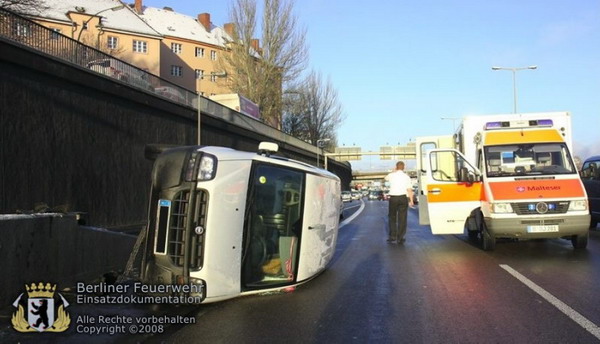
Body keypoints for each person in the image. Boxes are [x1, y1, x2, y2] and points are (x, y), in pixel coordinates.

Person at [384, 161, 414, 243]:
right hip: (403, 198)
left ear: (396, 167)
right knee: (402, 218)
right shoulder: (406, 177)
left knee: (392, 217)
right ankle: (400, 238)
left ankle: (392, 236)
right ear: (404, 167)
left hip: (393, 198)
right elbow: (409, 190)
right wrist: (411, 200)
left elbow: (385, 178)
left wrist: (393, 171)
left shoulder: (391, 175)